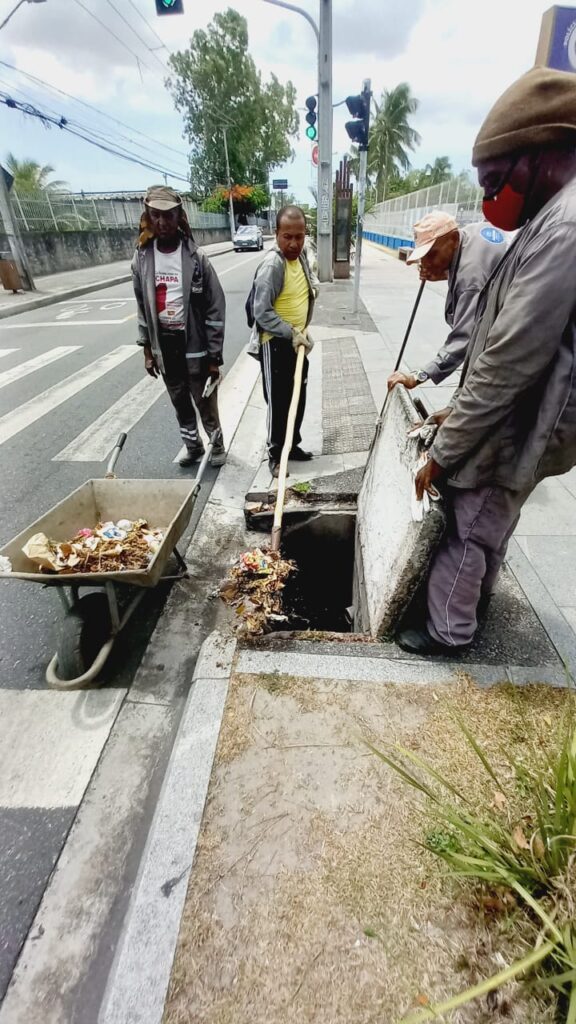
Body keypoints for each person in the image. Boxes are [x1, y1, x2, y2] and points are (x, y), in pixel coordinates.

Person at [397, 66, 576, 655]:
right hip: (521, 413)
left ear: (541, 155)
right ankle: (475, 604)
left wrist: (444, 453)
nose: (490, 197)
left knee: (466, 525)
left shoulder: (564, 229)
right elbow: (491, 345)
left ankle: (450, 632)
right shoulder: (545, 219)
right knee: (493, 525)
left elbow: (507, 360)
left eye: (497, 178)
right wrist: (452, 411)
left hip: (521, 418)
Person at [132, 184, 226, 468]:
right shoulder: (143, 259)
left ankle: (217, 444)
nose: (162, 222)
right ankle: (193, 446)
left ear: (179, 217)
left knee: (204, 398)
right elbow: (142, 307)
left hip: (194, 343)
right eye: (155, 216)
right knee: (179, 400)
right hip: (166, 344)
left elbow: (215, 307)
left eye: (169, 216)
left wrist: (214, 355)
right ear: (148, 217)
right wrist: (147, 350)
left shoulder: (196, 259)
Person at [387, 212, 509, 392]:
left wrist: (419, 375)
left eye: (432, 254)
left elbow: (466, 338)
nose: (425, 263)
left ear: (452, 239)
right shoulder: (467, 235)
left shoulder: (471, 278)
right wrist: (444, 274)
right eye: (424, 256)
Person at [252, 205, 317, 477]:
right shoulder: (272, 264)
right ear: (276, 234)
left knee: (297, 398)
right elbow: (262, 312)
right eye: (287, 236)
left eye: (299, 236)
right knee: (279, 401)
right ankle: (276, 454)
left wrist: (303, 330)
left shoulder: (300, 258)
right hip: (276, 344)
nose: (294, 243)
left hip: (296, 344)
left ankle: (292, 445)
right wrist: (291, 332)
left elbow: (305, 290)